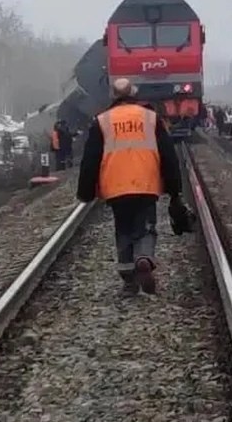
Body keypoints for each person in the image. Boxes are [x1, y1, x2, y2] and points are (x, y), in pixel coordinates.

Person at [77, 78, 186, 296]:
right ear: (134, 94)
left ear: (113, 96)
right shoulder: (151, 118)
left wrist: (85, 191)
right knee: (145, 227)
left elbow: (90, 159)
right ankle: (144, 259)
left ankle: (129, 282)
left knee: (123, 230)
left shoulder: (102, 121)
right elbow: (168, 156)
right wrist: (174, 190)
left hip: (116, 187)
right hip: (146, 185)